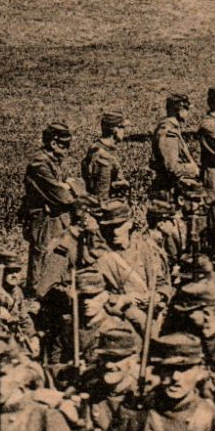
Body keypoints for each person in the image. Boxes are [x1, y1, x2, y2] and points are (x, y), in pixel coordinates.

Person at [21, 123, 80, 295]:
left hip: (59, 217)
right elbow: (62, 195)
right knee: (42, 259)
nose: (68, 149)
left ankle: (52, 293)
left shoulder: (56, 160)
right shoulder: (39, 163)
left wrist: (70, 186)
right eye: (65, 145)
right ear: (53, 144)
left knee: (60, 256)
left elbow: (77, 184)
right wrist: (67, 187)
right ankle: (36, 297)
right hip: (44, 220)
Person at [151, 95, 200, 199]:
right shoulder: (169, 132)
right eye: (186, 109)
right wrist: (192, 169)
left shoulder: (173, 128)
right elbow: (172, 167)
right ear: (179, 110)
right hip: (168, 190)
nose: (188, 113)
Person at [82, 112, 131, 200]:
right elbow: (101, 193)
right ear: (114, 130)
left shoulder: (96, 147)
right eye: (122, 128)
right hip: (104, 205)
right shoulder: (103, 155)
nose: (124, 131)